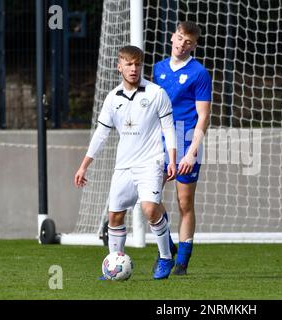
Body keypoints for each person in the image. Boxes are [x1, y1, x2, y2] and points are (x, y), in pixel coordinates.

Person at [74, 45, 178, 280]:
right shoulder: (112, 98)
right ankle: (114, 263)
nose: (133, 69)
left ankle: (165, 258)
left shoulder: (156, 93)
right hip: (123, 165)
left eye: (137, 64)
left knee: (149, 209)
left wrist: (172, 159)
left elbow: (169, 129)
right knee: (115, 216)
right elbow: (101, 134)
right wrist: (83, 166)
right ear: (119, 66)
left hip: (151, 162)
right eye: (129, 64)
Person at [152, 21, 212, 275]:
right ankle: (167, 243)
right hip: (158, 142)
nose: (181, 44)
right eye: (179, 38)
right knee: (149, 197)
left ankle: (183, 262)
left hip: (185, 140)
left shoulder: (199, 73)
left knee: (184, 202)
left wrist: (191, 151)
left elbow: (203, 116)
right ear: (172, 38)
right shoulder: (157, 69)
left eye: (187, 41)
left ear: (194, 45)